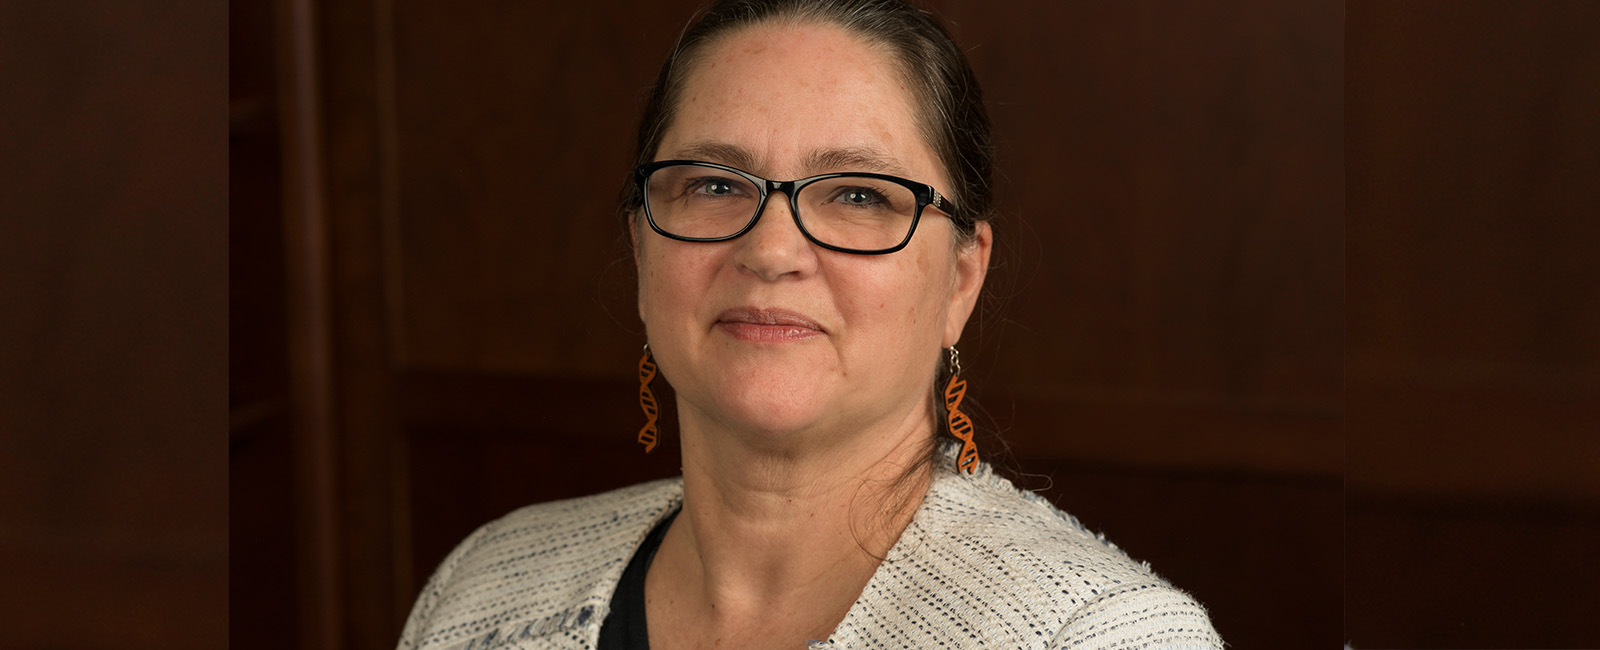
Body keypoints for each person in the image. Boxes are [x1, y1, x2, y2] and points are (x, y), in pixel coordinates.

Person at [397, 1, 1222, 648]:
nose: (771, 250)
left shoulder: (1099, 637)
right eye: (715, 185)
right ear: (641, 248)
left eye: (859, 195)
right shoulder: (483, 590)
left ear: (961, 278)